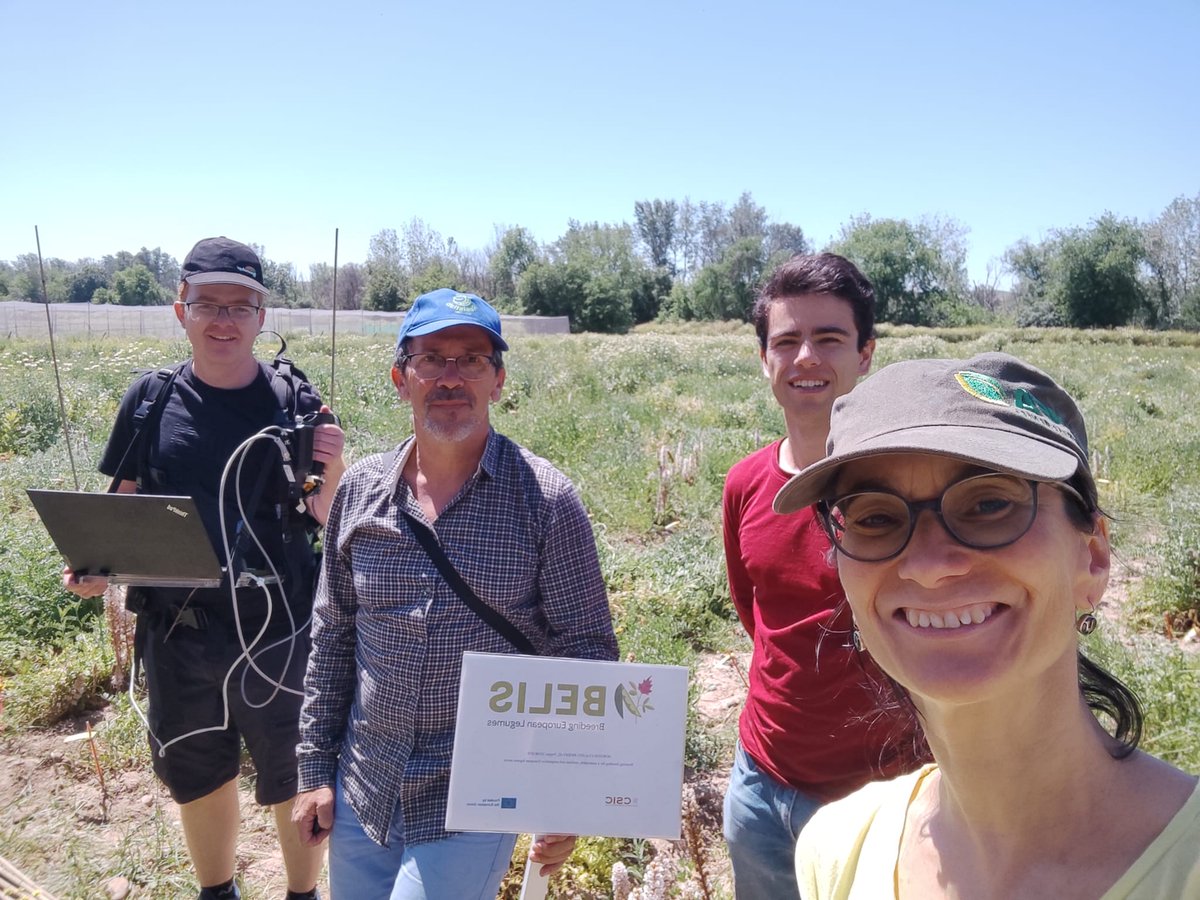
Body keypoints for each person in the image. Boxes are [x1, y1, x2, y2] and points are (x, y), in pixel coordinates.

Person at [779, 352, 1200, 899]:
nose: (929, 566)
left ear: (1092, 556)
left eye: (989, 504)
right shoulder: (836, 852)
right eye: (875, 517)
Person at [291, 288, 619, 900]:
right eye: (431, 358)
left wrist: (567, 793)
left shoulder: (545, 500)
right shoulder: (361, 491)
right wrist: (314, 769)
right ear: (400, 377)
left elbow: (587, 653)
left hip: (476, 797)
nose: (450, 377)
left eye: (471, 359)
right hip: (365, 784)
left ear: (497, 380)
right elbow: (331, 637)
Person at [62, 236, 346, 900]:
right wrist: (95, 568)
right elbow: (121, 507)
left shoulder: (292, 397)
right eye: (207, 303)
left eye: (239, 305)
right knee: (197, 771)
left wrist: (332, 468)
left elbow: (330, 520)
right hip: (179, 631)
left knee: (295, 773)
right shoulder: (152, 398)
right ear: (180, 309)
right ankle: (217, 892)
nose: (223, 320)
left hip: (280, 630)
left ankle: (302, 894)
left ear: (261, 316)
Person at [721, 253, 924, 897]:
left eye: (829, 338)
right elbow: (757, 617)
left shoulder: (912, 488)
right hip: (760, 782)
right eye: (786, 341)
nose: (806, 356)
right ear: (764, 360)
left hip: (882, 794)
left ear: (866, 354)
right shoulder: (746, 484)